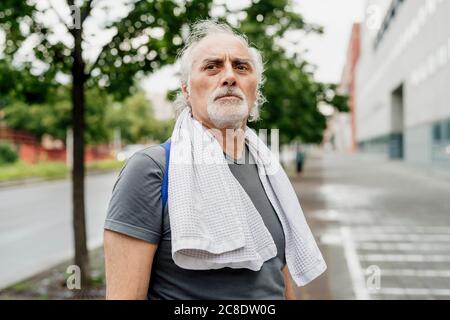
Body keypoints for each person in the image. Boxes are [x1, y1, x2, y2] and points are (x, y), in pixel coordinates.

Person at [103, 19, 326, 300]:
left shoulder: (268, 169)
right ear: (186, 89)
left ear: (255, 91)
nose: (230, 76)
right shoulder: (152, 169)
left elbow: (277, 274)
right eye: (212, 67)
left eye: (241, 67)